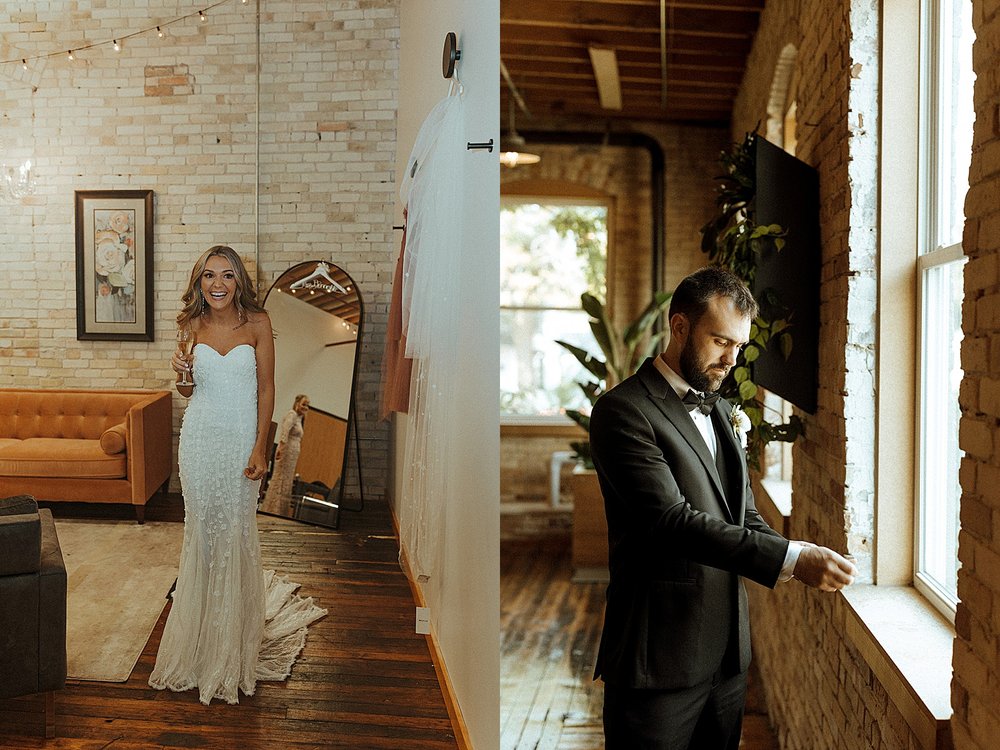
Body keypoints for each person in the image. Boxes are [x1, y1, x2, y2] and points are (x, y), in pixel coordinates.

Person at [589, 266, 856, 749]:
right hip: (659, 660)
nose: (731, 359)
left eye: (738, 345)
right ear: (679, 327)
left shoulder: (719, 408)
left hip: (728, 658)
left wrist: (798, 552)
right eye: (720, 342)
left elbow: (743, 514)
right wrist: (792, 559)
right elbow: (673, 523)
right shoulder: (623, 411)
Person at [149, 245, 326, 705]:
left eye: (227, 276)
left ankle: (233, 643)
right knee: (202, 536)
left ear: (239, 281)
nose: (217, 284)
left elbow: (267, 389)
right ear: (199, 282)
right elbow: (188, 391)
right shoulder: (190, 325)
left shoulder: (259, 324)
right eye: (209, 276)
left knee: (234, 532)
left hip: (240, 442)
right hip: (199, 440)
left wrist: (260, 447)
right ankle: (200, 641)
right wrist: (181, 374)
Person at [260, 394, 310, 513]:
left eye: (308, 405)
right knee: (280, 477)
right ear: (297, 403)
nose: (306, 407)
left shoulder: (299, 418)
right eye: (304, 404)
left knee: (287, 479)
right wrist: (281, 448)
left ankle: (281, 509)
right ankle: (273, 508)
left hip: (293, 453)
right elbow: (285, 431)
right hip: (287, 450)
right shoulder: (292, 415)